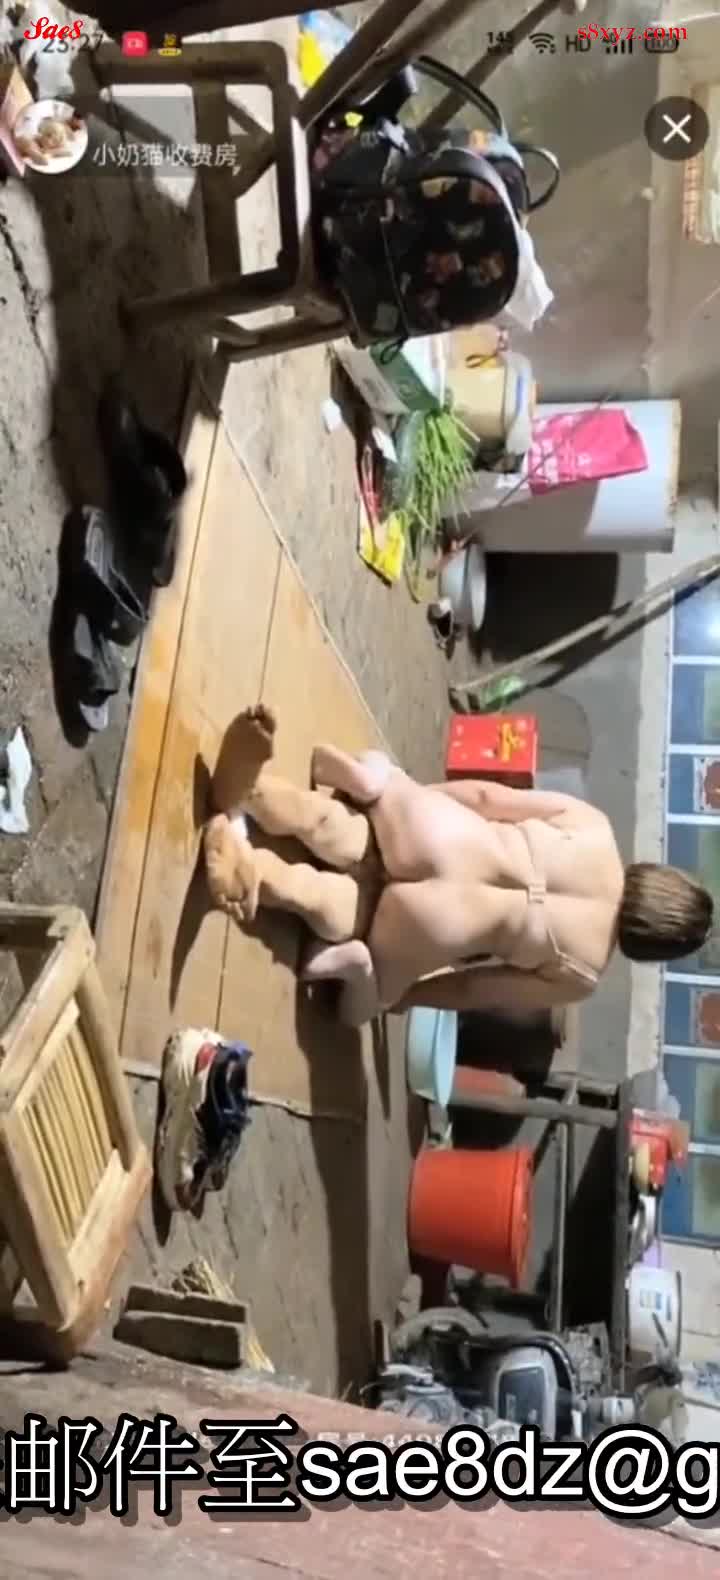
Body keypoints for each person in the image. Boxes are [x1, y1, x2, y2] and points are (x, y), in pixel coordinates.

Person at [204, 706, 713, 1027]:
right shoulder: (584, 976)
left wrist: (412, 797)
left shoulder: (597, 830)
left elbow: (490, 798)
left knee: (338, 825)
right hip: (437, 921)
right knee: (335, 914)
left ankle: (253, 791)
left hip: (443, 836)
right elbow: (474, 988)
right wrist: (403, 995)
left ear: (660, 878)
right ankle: (264, 879)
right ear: (652, 947)